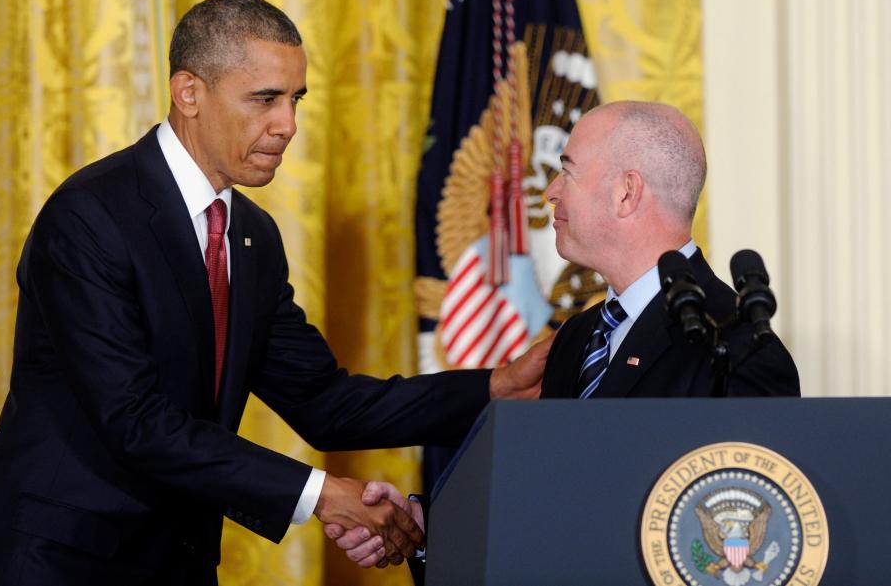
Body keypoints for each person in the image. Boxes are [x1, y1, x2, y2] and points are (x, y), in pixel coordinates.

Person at [0, 0, 552, 586]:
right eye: (264, 99)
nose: (287, 126)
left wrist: (495, 386)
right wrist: (320, 495)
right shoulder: (89, 217)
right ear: (190, 93)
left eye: (295, 100)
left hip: (177, 565)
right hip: (55, 563)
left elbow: (326, 404)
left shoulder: (250, 235)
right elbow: (135, 422)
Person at [327, 100, 800, 573]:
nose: (551, 192)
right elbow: (555, 491)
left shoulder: (733, 346)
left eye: (567, 172)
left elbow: (750, 540)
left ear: (626, 193)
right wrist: (427, 524)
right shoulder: (578, 335)